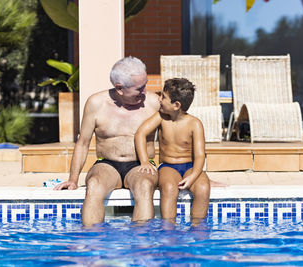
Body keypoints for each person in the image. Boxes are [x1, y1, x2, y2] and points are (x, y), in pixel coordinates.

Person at [54, 56, 160, 226]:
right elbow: (83, 143)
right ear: (119, 88)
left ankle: (142, 246)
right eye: (139, 89)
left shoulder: (153, 103)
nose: (144, 92)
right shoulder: (96, 103)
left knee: (144, 186)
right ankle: (92, 243)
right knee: (94, 185)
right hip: (107, 165)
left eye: (145, 85)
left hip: (142, 165)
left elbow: (174, 138)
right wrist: (73, 180)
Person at [135, 78, 210, 224]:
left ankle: (198, 228)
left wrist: (194, 176)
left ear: (176, 105)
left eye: (163, 97)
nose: (160, 99)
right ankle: (168, 228)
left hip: (190, 166)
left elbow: (200, 155)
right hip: (168, 166)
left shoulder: (195, 124)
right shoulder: (161, 117)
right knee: (169, 188)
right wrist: (144, 161)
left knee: (203, 188)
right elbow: (140, 134)